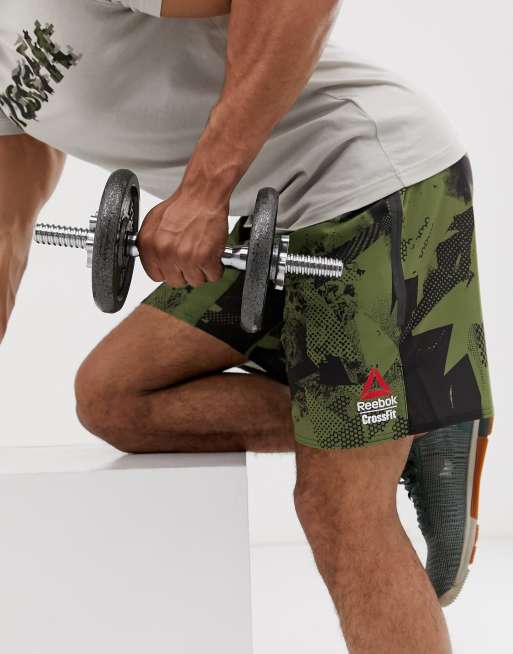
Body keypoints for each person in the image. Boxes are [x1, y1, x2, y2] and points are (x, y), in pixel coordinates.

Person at [0, 1, 494, 652]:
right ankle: (408, 416)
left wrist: (204, 192)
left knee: (337, 508)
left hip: (366, 180)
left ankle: (387, 417)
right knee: (115, 396)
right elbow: (6, 229)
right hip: (278, 224)